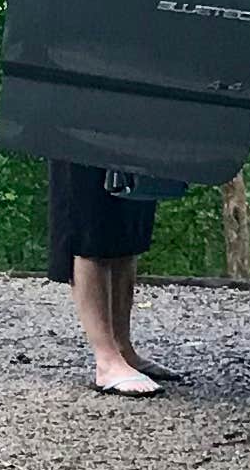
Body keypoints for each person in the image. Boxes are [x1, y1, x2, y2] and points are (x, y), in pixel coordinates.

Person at [47, 161, 173, 395]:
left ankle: (123, 350)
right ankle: (106, 360)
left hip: (131, 130)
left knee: (129, 225)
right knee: (90, 227)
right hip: (77, 131)